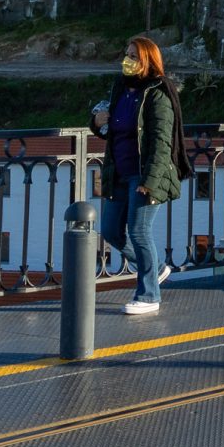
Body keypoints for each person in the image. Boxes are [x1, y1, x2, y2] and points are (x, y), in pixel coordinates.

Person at [92, 36, 190, 316]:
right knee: (111, 230)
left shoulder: (158, 93)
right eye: (126, 53)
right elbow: (111, 127)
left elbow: (161, 141)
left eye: (134, 56)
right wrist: (96, 121)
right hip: (119, 171)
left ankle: (148, 295)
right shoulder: (121, 89)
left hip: (145, 174)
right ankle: (157, 269)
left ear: (148, 60)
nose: (127, 60)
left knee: (139, 231)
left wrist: (150, 181)